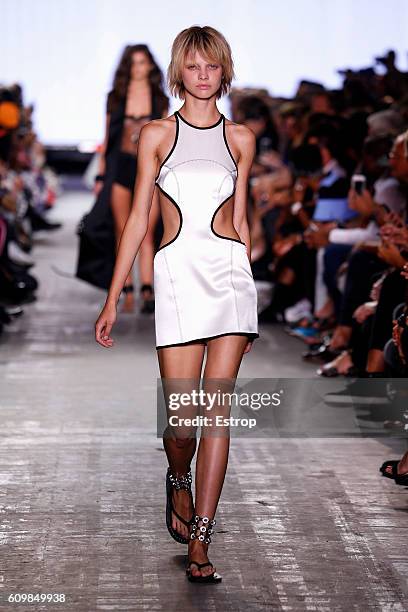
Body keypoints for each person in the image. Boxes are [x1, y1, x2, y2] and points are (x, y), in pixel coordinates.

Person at [95, 25, 259, 583]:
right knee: (182, 420)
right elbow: (139, 217)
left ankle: (202, 542)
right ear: (179, 72)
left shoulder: (242, 138)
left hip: (230, 275)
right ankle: (178, 478)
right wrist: (115, 298)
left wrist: (250, 274)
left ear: (224, 70)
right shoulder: (156, 135)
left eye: (213, 65)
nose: (204, 74)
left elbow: (241, 219)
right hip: (177, 276)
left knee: (218, 413)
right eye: (194, 65)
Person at [77, 45, 168, 312]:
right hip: (119, 167)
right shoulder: (115, 97)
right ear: (127, 66)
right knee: (123, 230)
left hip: (149, 168)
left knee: (148, 232)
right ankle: (126, 289)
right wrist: (101, 175)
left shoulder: (158, 98)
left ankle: (148, 290)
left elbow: (164, 138)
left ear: (150, 66)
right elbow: (108, 140)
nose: (139, 68)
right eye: (134, 63)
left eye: (143, 62)